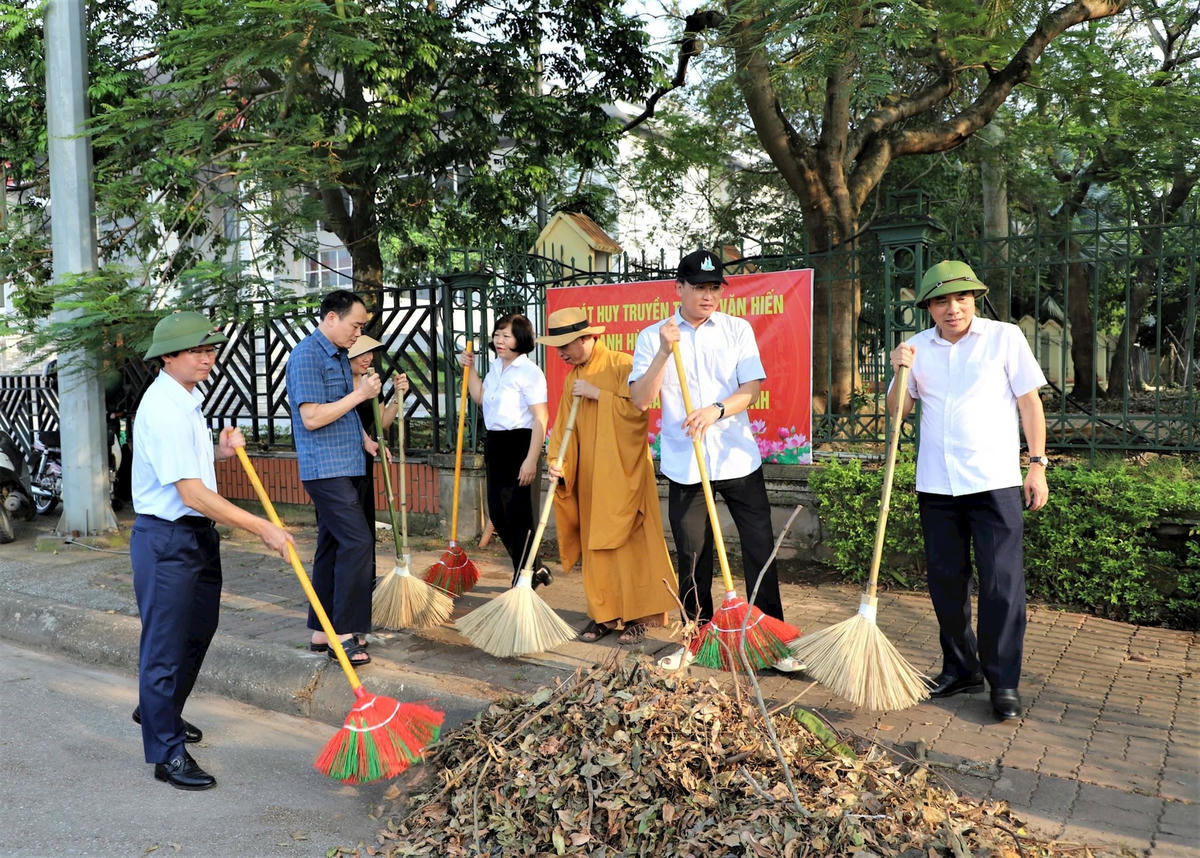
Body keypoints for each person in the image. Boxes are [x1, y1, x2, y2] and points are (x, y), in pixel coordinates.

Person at [131, 310, 292, 790]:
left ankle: (159, 710)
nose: (208, 358)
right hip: (166, 539)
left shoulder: (185, 399)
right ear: (169, 357)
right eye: (197, 351)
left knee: (198, 630)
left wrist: (220, 451)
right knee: (164, 647)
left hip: (195, 536)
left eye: (210, 349)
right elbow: (191, 493)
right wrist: (261, 527)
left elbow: (191, 469)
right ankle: (166, 753)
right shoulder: (161, 406)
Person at [888, 259, 1048, 722]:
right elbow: (898, 411)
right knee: (945, 581)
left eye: (961, 297)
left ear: (974, 299)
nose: (952, 307)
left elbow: (1028, 403)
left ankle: (1003, 681)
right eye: (941, 300)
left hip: (993, 481)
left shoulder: (1004, 338)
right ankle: (960, 667)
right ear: (928, 307)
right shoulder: (916, 349)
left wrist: (1036, 465)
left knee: (1001, 584)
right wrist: (899, 371)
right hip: (937, 485)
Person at [629, 249, 802, 672]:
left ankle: (772, 641)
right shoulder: (654, 336)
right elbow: (640, 399)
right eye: (700, 288)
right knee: (692, 555)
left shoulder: (737, 330)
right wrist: (664, 354)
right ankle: (696, 637)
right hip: (686, 464)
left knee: (760, 547)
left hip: (737, 459)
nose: (709, 296)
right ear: (679, 288)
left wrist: (716, 410)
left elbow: (752, 387)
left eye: (714, 288)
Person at [539, 307, 679, 644]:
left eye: (565, 345)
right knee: (596, 545)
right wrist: (557, 461)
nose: (560, 353)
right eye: (556, 347)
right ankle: (603, 615)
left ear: (586, 338)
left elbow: (638, 410)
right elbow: (563, 428)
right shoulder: (573, 377)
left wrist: (599, 395)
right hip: (590, 477)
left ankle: (637, 618)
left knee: (631, 545)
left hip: (625, 473)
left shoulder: (622, 364)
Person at [285, 290, 381, 666]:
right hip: (326, 468)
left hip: (347, 461)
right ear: (330, 319)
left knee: (330, 547)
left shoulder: (339, 355)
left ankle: (321, 631)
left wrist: (365, 439)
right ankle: (345, 632)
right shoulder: (307, 356)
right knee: (358, 543)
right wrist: (360, 395)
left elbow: (343, 410)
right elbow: (311, 417)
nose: (358, 333)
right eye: (355, 324)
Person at [457, 313, 550, 585]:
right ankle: (536, 567)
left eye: (506, 335)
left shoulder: (530, 373)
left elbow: (540, 418)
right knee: (498, 513)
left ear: (520, 339)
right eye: (497, 334)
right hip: (496, 443)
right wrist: (469, 370)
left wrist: (532, 459)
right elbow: (480, 398)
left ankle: (524, 576)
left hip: (521, 443)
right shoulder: (496, 367)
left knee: (520, 515)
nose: (499, 340)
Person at [347, 334, 408, 538]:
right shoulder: (338, 384)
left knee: (365, 511)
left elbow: (382, 422)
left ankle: (367, 568)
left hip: (365, 452)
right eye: (360, 353)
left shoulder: (371, 383)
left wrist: (399, 396)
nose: (367, 358)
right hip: (340, 453)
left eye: (369, 353)